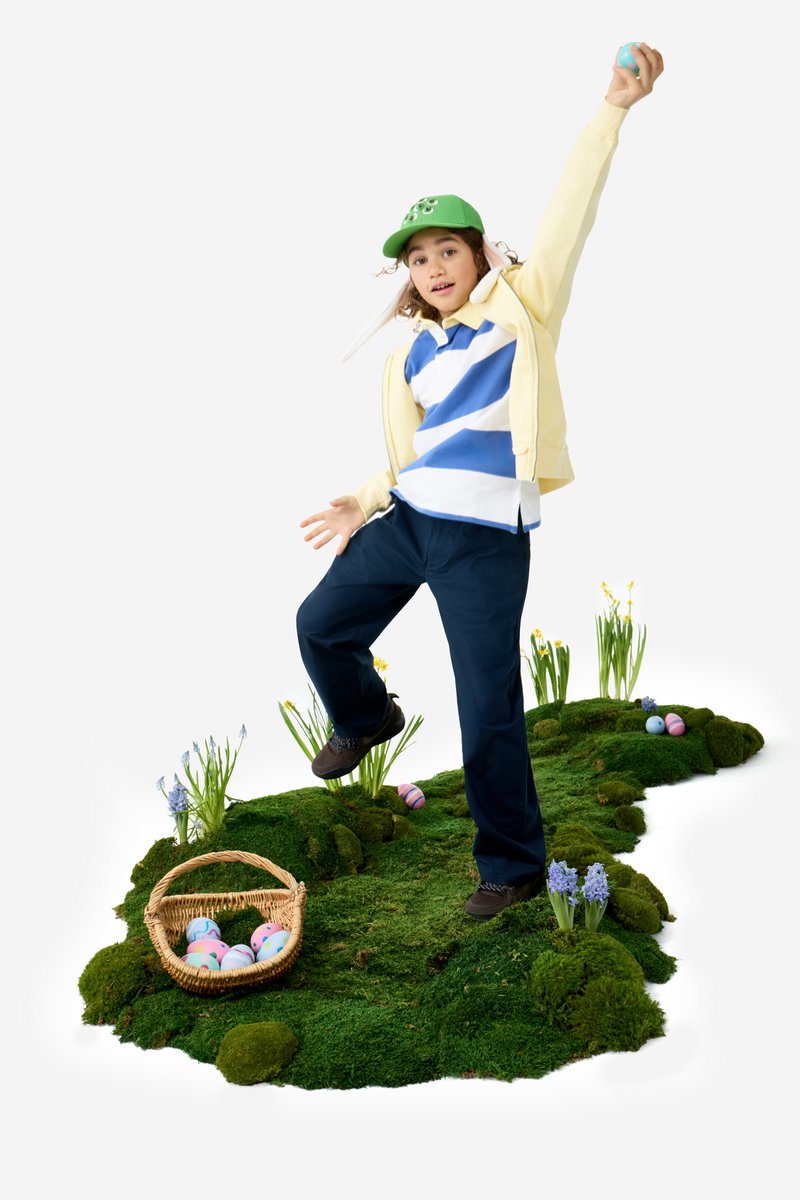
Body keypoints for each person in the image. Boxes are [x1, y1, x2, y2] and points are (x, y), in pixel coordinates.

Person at [296, 43, 664, 919]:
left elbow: (570, 210)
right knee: (319, 623)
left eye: (448, 250)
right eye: (418, 259)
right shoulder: (410, 353)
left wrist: (612, 109)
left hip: (484, 539)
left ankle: (512, 866)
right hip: (412, 517)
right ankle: (368, 717)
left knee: (485, 703)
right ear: (409, 278)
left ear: (477, 252)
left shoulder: (522, 310)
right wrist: (363, 497)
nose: (434, 268)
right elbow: (411, 456)